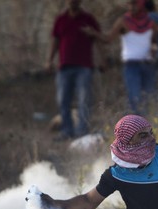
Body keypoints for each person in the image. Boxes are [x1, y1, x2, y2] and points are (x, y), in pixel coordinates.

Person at [83, 0, 158, 115]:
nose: (131, 7)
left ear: (140, 5)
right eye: (129, 4)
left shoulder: (150, 22)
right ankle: (138, 125)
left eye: (134, 3)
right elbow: (108, 39)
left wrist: (154, 48)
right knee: (135, 96)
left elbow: (154, 41)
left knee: (150, 95)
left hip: (147, 64)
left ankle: (155, 122)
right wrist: (94, 33)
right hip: (132, 66)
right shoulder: (123, 21)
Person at [47, 0, 105, 142]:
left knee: (84, 99)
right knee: (62, 100)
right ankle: (67, 130)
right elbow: (55, 41)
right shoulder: (60, 19)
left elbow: (98, 39)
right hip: (64, 66)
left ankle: (82, 131)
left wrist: (103, 59)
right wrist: (49, 60)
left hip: (84, 66)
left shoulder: (88, 19)